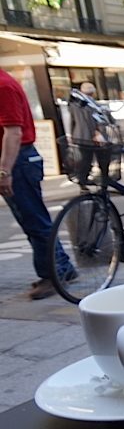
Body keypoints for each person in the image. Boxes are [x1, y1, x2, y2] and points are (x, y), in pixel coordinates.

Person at [0, 68, 76, 299]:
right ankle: (62, 268)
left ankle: (52, 276)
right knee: (33, 219)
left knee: (35, 221)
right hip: (19, 160)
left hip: (19, 161)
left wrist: (4, 171)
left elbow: (13, 132)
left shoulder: (3, 86)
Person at [69, 82, 113, 192]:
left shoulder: (73, 106)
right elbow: (104, 121)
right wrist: (100, 133)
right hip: (97, 138)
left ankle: (83, 183)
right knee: (103, 161)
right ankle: (104, 184)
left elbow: (72, 122)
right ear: (93, 92)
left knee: (85, 161)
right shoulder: (95, 105)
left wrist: (71, 135)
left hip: (80, 137)